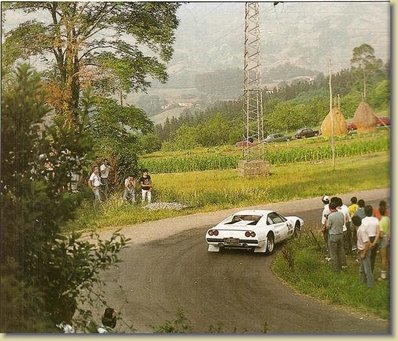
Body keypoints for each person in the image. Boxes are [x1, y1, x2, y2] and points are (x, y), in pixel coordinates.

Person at [325, 200, 346, 272]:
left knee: (333, 253)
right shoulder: (341, 214)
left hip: (333, 235)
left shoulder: (330, 216)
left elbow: (328, 227)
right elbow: (343, 223)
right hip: (340, 234)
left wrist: (327, 220)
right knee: (340, 250)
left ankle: (336, 269)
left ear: (330, 208)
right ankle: (342, 265)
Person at [353, 215, 374, 288]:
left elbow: (367, 243)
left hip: (364, 251)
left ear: (354, 224)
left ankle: (370, 286)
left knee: (367, 270)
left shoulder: (362, 231)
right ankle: (362, 283)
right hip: (361, 250)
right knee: (362, 269)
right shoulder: (360, 228)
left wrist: (364, 253)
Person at [361, 205, 380, 273]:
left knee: (366, 256)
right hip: (374, 238)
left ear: (365, 212)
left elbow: (363, 232)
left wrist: (368, 243)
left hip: (366, 239)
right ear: (372, 211)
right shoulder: (376, 220)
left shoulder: (363, 221)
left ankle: (366, 272)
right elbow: (378, 232)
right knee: (373, 257)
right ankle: (371, 271)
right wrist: (374, 243)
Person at [377, 205, 390, 281]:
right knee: (389, 257)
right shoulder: (388, 219)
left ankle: (383, 275)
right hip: (389, 238)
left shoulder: (380, 221)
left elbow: (381, 234)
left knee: (383, 258)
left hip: (383, 240)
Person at [321, 195, 331, 261]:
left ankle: (329, 255)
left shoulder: (325, 210)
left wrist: (323, 228)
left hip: (327, 227)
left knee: (327, 241)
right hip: (331, 226)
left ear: (323, 201)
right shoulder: (330, 207)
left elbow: (324, 220)